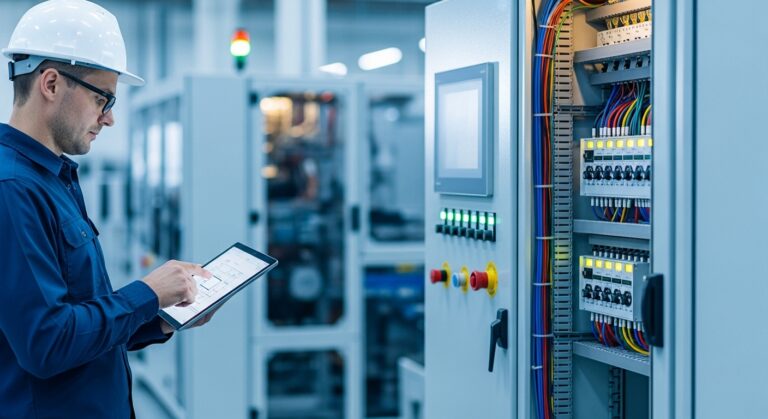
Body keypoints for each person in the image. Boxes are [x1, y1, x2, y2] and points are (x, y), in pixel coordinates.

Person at [0, 1, 213, 417]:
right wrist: (146, 293)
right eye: (104, 99)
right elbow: (47, 344)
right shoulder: (13, 189)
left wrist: (159, 315)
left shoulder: (54, 178)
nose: (109, 119)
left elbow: (79, 319)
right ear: (51, 84)